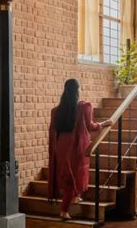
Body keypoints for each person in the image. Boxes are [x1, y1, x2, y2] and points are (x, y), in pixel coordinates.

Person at [48, 79, 112, 220]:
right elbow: (90, 126)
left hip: (61, 146)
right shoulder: (84, 107)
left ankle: (76, 197)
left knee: (69, 175)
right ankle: (64, 211)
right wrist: (104, 124)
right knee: (75, 174)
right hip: (76, 146)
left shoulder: (57, 111)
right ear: (77, 91)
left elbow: (53, 130)